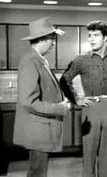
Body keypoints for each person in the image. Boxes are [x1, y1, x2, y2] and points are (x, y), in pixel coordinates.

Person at [60, 21, 107, 177]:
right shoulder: (81, 59)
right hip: (90, 110)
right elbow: (64, 79)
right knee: (89, 149)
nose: (91, 39)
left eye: (96, 35)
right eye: (89, 36)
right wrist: (76, 99)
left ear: (105, 38)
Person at [13, 17, 71, 177]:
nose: (54, 43)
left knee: (38, 172)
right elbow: (29, 101)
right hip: (37, 131)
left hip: (40, 131)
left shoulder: (38, 59)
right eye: (52, 39)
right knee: (37, 172)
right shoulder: (30, 61)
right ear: (42, 40)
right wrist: (60, 108)